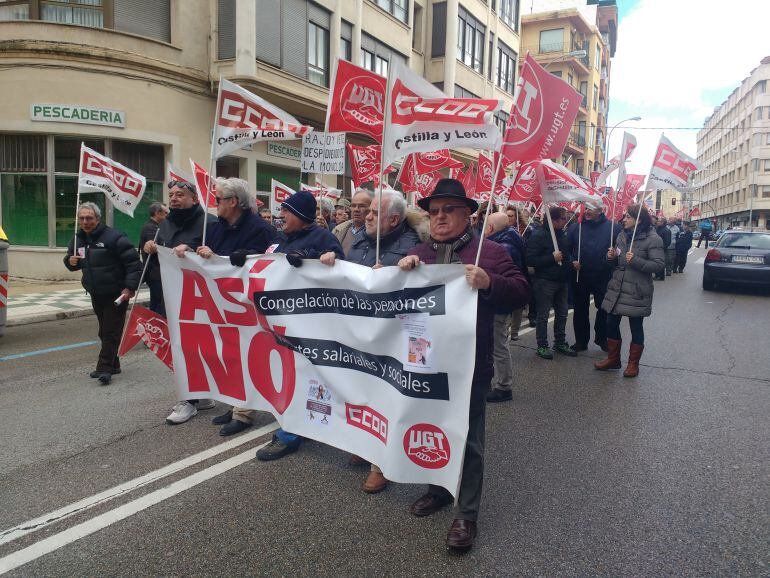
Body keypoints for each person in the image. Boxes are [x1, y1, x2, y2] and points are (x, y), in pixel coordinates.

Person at [398, 179, 529, 554]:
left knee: (469, 439)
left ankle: (466, 514)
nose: (439, 217)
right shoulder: (418, 253)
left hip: (470, 367)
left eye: (448, 210)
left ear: (467, 214)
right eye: (433, 211)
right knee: (432, 428)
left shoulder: (488, 253)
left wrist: (490, 282)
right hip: (424, 363)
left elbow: (521, 292)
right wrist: (399, 270)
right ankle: (437, 490)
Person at [320, 189, 425, 494]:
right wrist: (332, 262)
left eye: (375, 213)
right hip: (360, 329)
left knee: (384, 394)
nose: (366, 215)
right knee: (360, 388)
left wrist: (395, 272)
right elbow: (349, 276)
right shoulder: (361, 240)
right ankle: (366, 445)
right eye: (367, 212)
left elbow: (415, 287)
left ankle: (381, 464)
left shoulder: (411, 246)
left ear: (394, 219)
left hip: (389, 336)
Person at [255, 191, 344, 460]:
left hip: (311, 324)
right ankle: (298, 423)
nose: (280, 216)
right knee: (288, 375)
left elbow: (343, 274)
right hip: (281, 321)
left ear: (303, 217)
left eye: (287, 211)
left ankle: (291, 433)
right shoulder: (280, 238)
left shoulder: (323, 238)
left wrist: (319, 258)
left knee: (305, 376)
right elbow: (265, 263)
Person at [187, 178, 276, 436]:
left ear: (234, 202)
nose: (215, 205)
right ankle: (236, 402)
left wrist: (246, 256)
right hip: (223, 305)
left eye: (218, 200)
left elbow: (271, 258)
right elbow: (209, 253)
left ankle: (244, 413)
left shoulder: (261, 229)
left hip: (249, 306)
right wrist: (193, 250)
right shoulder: (217, 228)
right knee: (232, 356)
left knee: (249, 356)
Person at [144, 179, 217, 423]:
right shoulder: (164, 225)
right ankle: (198, 395)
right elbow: (160, 262)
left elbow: (219, 256)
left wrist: (196, 249)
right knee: (181, 347)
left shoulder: (210, 223)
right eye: (171, 194)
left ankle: (190, 399)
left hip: (201, 297)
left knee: (197, 346)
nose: (174, 198)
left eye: (180, 194)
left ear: (194, 199)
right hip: (174, 295)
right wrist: (151, 250)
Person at [64, 202, 141, 385]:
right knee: (104, 331)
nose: (85, 221)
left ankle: (104, 368)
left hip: (117, 293)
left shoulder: (114, 237)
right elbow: (71, 263)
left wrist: (130, 287)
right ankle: (114, 364)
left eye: (89, 218)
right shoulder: (77, 239)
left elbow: (133, 264)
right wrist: (70, 261)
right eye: (82, 218)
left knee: (110, 331)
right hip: (95, 292)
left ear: (98, 219)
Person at [595, 204, 664, 378]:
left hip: (636, 289)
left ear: (638, 219)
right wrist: (611, 257)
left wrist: (637, 261)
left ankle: (633, 365)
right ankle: (613, 359)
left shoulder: (653, 239)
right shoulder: (621, 235)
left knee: (636, 327)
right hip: (618, 287)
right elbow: (618, 261)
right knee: (611, 322)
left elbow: (659, 265)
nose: (623, 219)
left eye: (627, 217)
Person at [484, 212, 527, 403]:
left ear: (491, 228)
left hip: (497, 304)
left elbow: (498, 276)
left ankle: (504, 386)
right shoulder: (509, 240)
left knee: (498, 345)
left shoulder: (502, 247)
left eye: (485, 226)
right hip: (499, 303)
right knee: (494, 344)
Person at [567, 201, 620, 353]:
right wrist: (572, 261)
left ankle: (602, 338)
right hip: (580, 275)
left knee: (604, 308)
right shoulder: (576, 227)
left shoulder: (613, 228)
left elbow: (620, 250)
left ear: (600, 210)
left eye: (591, 209)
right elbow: (567, 249)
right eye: (586, 208)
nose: (587, 212)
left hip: (603, 274)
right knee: (580, 309)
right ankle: (581, 341)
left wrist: (613, 256)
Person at [526, 206, 577, 359]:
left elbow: (565, 257)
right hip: (545, 281)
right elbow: (530, 260)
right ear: (554, 220)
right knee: (543, 315)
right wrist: (551, 258)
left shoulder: (562, 234)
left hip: (562, 280)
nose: (566, 220)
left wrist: (571, 263)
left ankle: (559, 342)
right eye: (563, 218)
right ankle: (542, 345)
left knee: (562, 313)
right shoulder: (538, 235)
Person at [139, 202, 168, 314]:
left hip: (157, 273)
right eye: (165, 213)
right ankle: (155, 327)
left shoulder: (155, 227)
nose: (167, 215)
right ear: (158, 213)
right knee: (158, 306)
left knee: (158, 303)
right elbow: (155, 249)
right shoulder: (151, 228)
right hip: (155, 273)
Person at [332, 189, 373, 255]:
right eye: (353, 206)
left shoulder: (378, 234)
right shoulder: (338, 230)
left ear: (371, 208)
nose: (356, 209)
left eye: (362, 206)